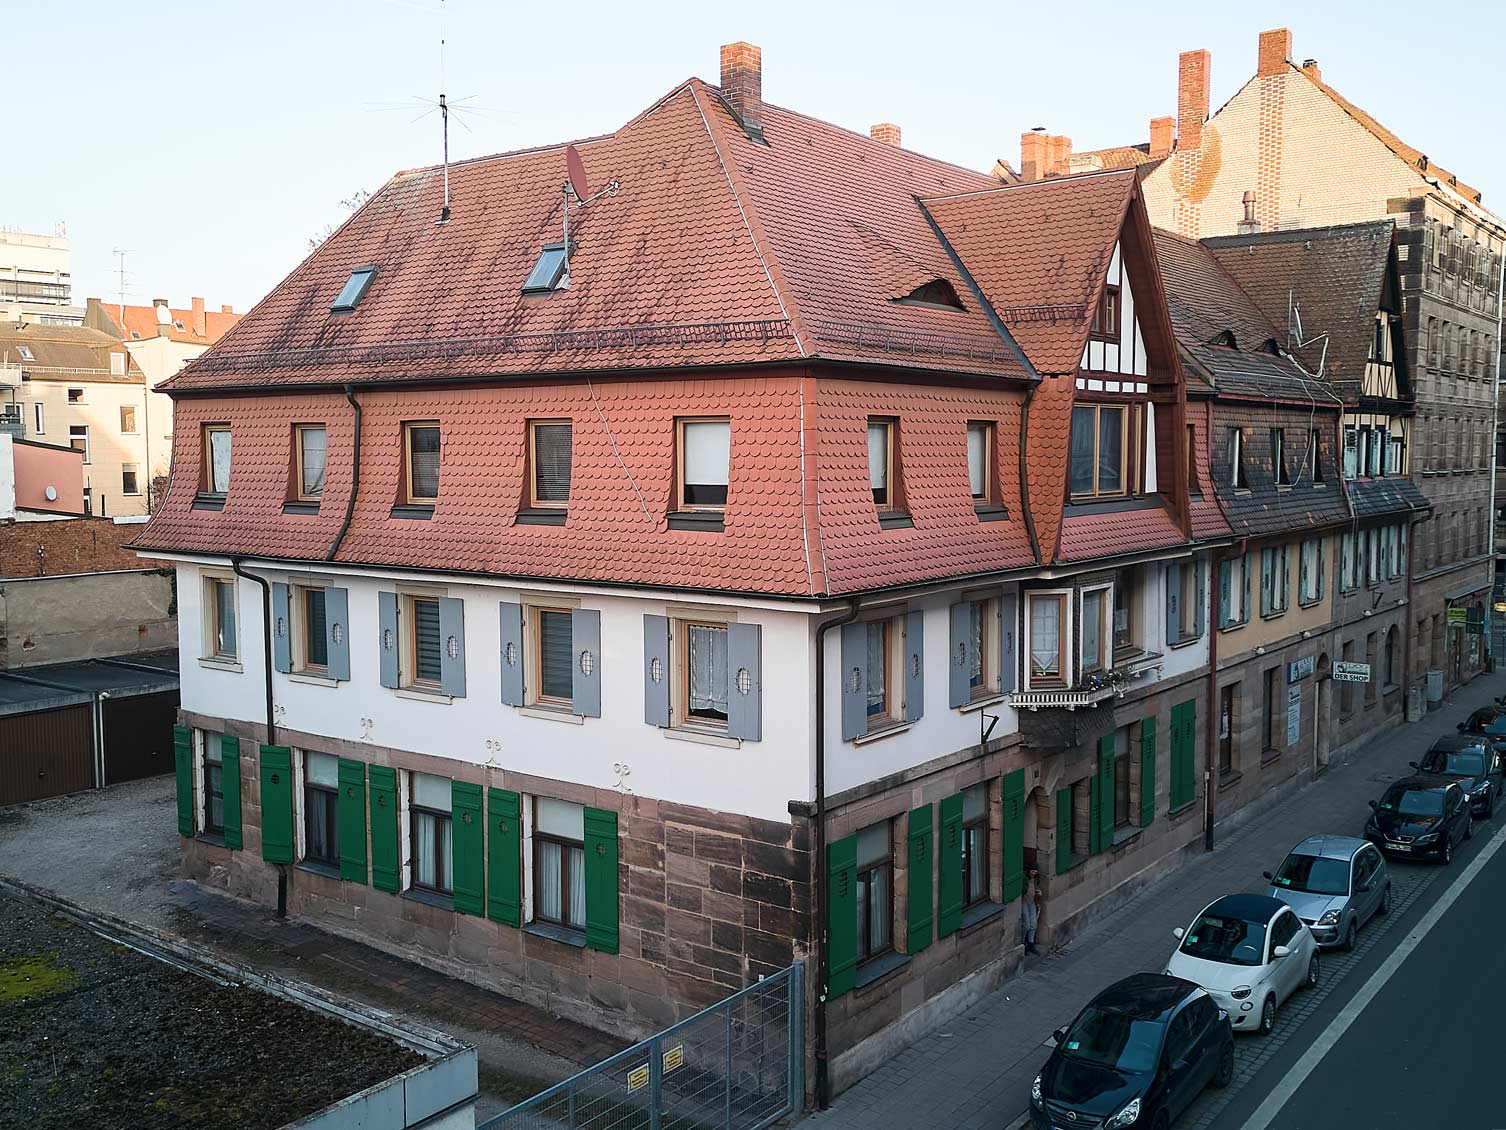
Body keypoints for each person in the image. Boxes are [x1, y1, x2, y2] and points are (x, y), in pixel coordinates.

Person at [1021, 867, 1042, 955]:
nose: (1034, 873)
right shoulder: (1024, 879)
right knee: (1027, 924)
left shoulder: (1036, 879)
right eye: (1032, 871)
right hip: (1024, 902)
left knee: (1033, 924)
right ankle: (1023, 944)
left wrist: (1039, 892)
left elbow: (1036, 888)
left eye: (1035, 871)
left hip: (1032, 902)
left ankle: (1031, 943)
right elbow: (1023, 890)